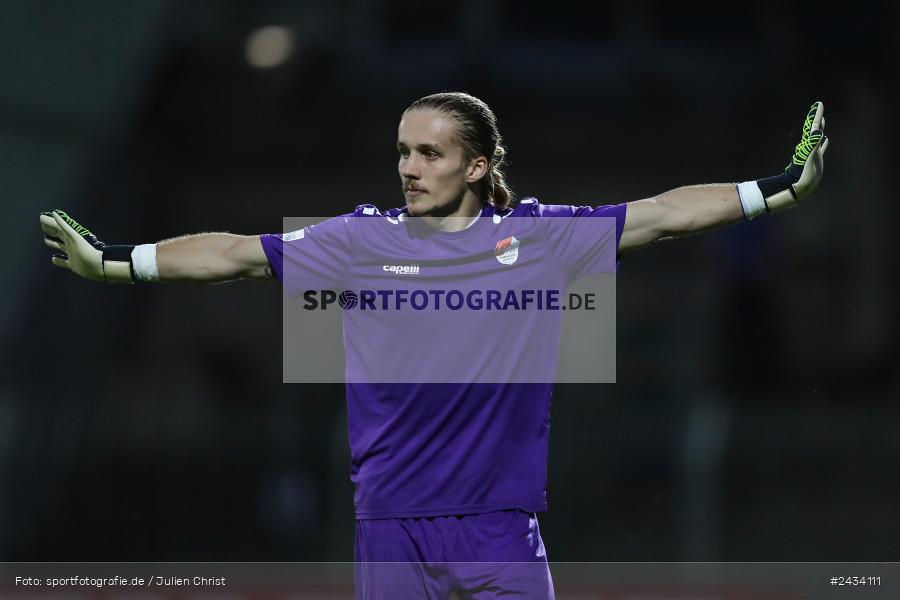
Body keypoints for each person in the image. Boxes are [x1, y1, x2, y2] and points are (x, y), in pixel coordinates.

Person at [39, 92, 828, 599]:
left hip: (498, 529)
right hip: (391, 528)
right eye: (403, 152)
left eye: (430, 154)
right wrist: (117, 264)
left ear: (478, 166)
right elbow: (232, 255)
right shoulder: (357, 239)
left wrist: (781, 186)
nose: (408, 169)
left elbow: (664, 212)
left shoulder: (539, 238)